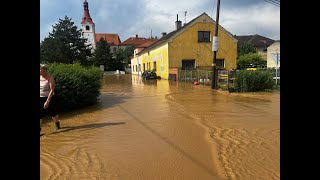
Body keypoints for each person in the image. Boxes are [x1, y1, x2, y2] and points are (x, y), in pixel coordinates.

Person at [40, 64, 61, 132]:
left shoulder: (50, 78)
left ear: (44, 70)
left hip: (50, 98)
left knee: (53, 114)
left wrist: (47, 101)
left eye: (40, 69)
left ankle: (58, 127)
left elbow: (52, 90)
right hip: (40, 98)